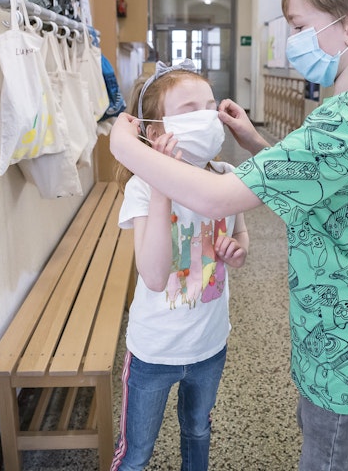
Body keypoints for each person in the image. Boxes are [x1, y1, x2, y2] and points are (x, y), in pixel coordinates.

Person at [110, 0, 348, 470]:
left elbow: (216, 197)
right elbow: (320, 173)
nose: (293, 40)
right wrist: (254, 141)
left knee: (331, 454)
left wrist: (125, 148)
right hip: (337, 319)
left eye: (300, 26)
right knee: (323, 437)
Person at [110, 60, 249, 471]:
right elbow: (153, 277)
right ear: (155, 132)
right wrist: (160, 186)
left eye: (209, 106)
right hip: (155, 350)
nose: (207, 118)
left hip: (209, 345)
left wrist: (236, 251)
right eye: (190, 110)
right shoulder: (141, 189)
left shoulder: (226, 176)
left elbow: (241, 240)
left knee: (198, 432)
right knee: (136, 453)